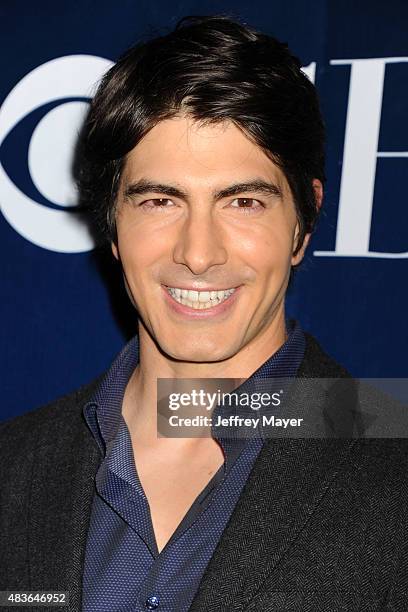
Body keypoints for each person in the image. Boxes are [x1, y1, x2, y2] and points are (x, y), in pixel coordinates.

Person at [1, 15, 407, 612]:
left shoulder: (392, 469)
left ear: (304, 222)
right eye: (160, 201)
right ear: (113, 225)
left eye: (243, 202)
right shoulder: (13, 465)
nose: (197, 253)